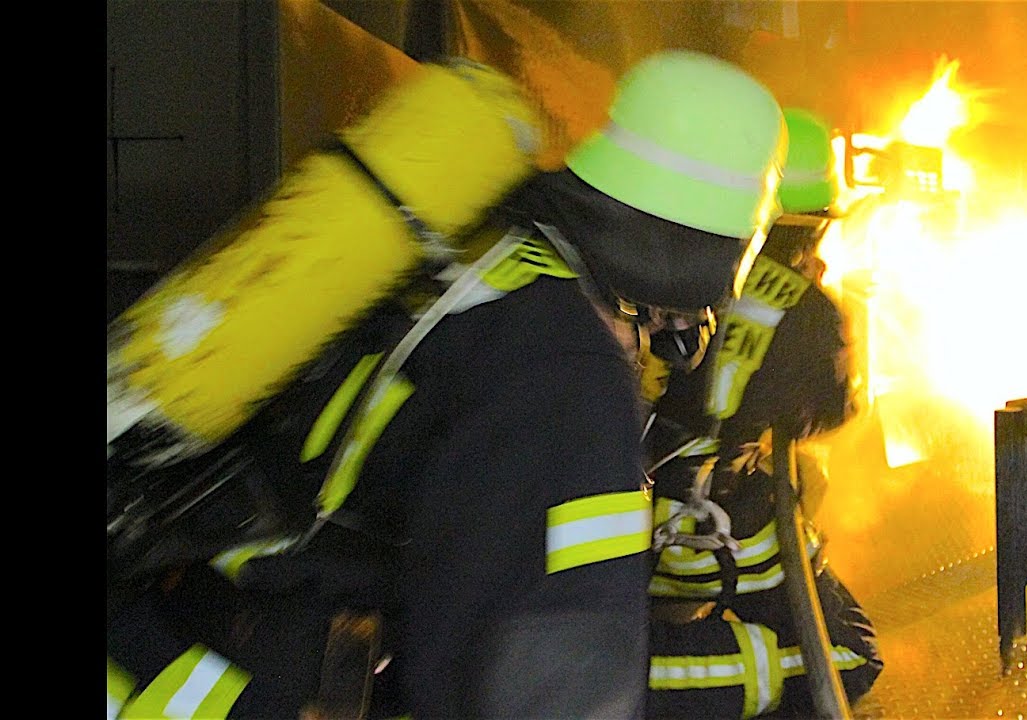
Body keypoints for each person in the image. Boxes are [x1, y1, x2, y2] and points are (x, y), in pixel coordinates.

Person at [107, 49, 788, 720]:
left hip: (165, 643)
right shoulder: (565, 376)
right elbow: (550, 679)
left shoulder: (478, 255)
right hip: (241, 692)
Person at [641, 108, 884, 719]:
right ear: (810, 225)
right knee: (850, 655)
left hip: (618, 539)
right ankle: (621, 679)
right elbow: (835, 411)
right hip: (715, 541)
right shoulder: (811, 310)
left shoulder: (653, 265)